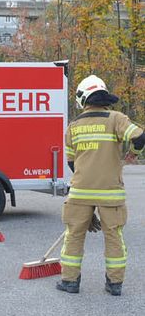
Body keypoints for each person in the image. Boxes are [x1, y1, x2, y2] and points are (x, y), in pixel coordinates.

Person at [57, 75, 145, 296]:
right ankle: (114, 284)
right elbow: (140, 137)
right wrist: (133, 154)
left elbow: (71, 162)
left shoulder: (73, 126)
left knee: (74, 236)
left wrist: (87, 199)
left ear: (83, 99)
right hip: (110, 193)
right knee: (113, 236)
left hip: (79, 193)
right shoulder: (116, 119)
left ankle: (70, 282)